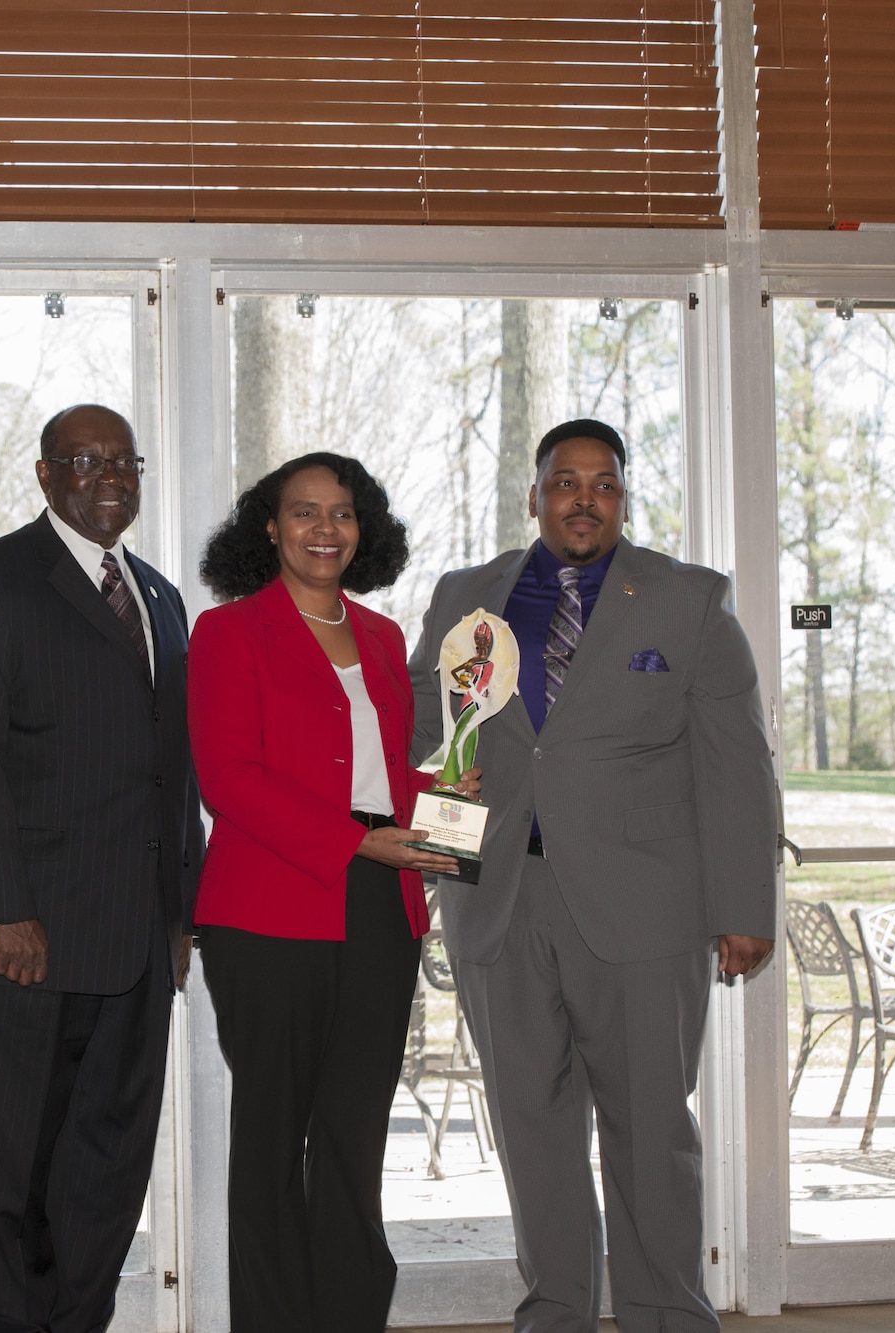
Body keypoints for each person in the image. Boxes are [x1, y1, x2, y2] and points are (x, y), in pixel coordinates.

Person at [409, 419, 777, 1333]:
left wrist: (743, 907)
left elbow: (737, 765)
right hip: (500, 905)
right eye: (564, 482)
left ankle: (665, 1313)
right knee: (533, 1130)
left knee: (652, 1132)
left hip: (645, 912)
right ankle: (557, 1312)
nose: (583, 499)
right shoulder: (466, 598)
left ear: (623, 497)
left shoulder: (690, 601)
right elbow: (429, 739)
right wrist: (436, 867)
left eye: (603, 483)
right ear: (534, 495)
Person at [0, 403, 202, 1333]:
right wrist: (2, 907)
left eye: (124, 460)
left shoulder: (162, 597)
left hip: (134, 947)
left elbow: (173, 770)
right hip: (25, 945)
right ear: (45, 476)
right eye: (86, 461)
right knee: (10, 1174)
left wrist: (183, 913)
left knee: (104, 1175)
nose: (110, 477)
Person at [189, 453, 476, 1333]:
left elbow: (388, 775)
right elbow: (228, 777)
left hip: (377, 906)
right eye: (304, 512)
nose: (325, 528)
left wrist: (455, 796)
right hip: (268, 909)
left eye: (342, 513)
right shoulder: (228, 633)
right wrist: (358, 839)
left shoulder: (386, 639)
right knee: (274, 1140)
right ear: (268, 527)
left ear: (365, 528)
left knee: (353, 1137)